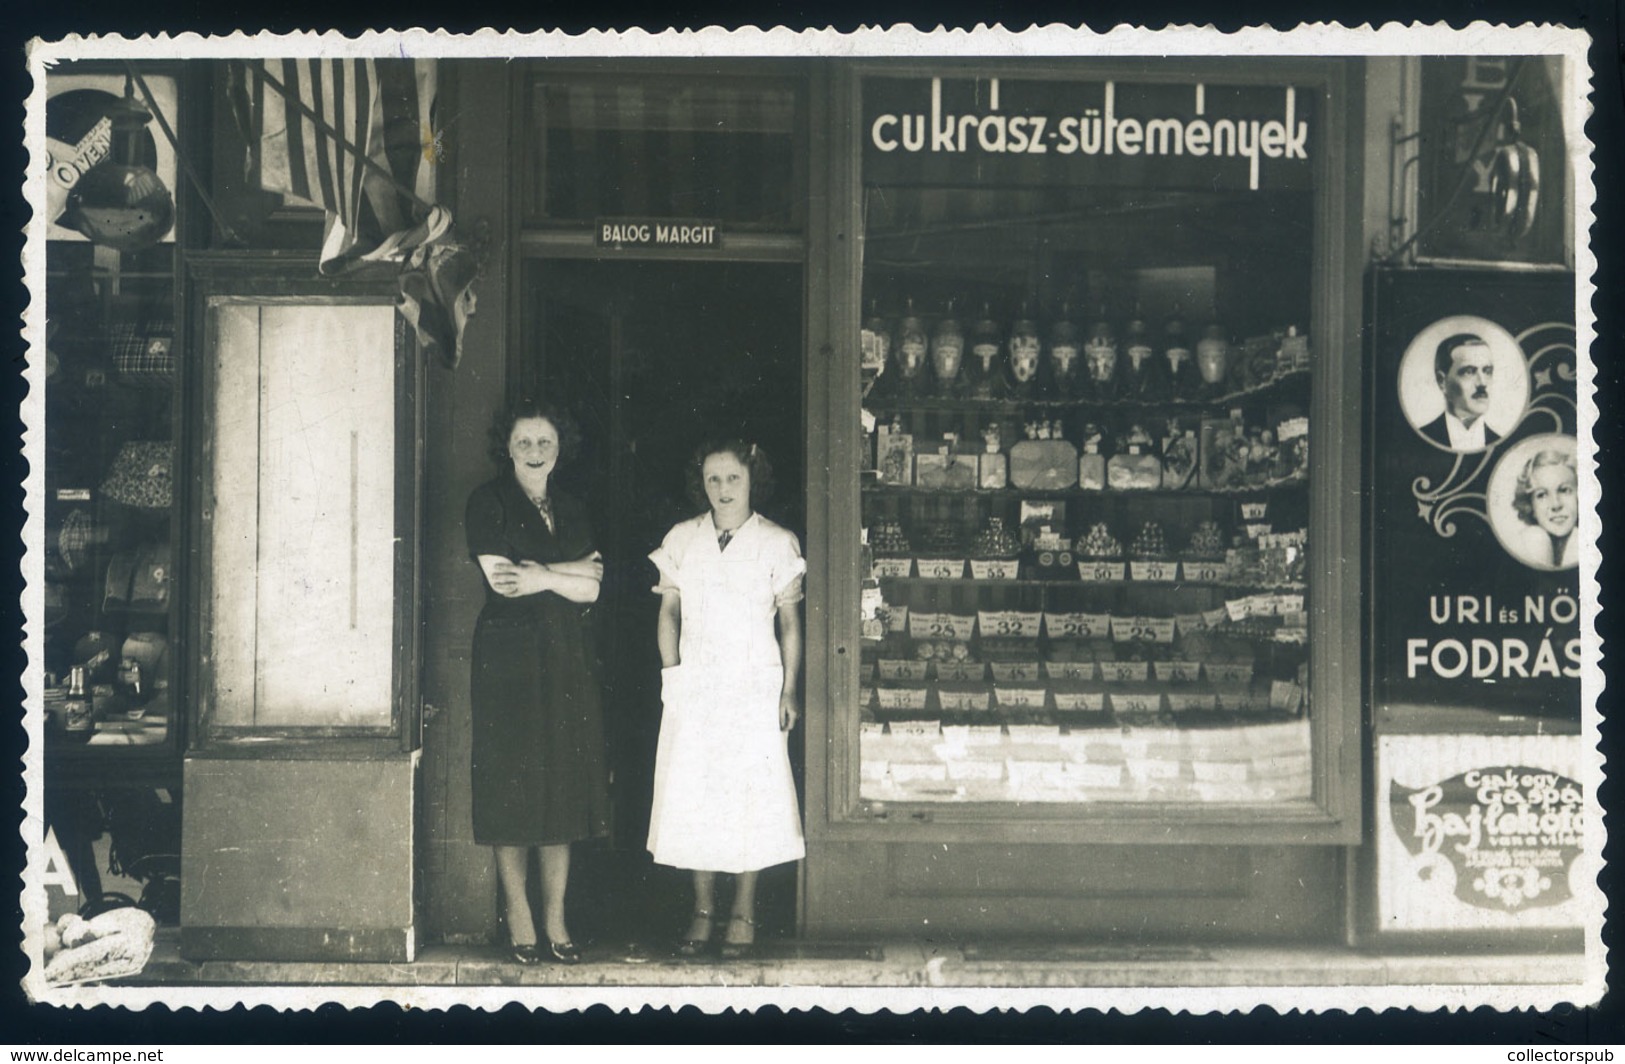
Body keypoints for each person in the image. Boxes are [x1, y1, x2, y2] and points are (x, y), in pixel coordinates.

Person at [647, 440, 805, 959]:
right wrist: (673, 676)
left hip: (753, 688)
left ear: (753, 479)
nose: (723, 490)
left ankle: (743, 912)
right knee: (696, 796)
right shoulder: (682, 539)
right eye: (713, 480)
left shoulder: (777, 543)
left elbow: (789, 624)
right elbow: (668, 614)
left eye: (733, 478)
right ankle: (703, 911)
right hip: (695, 687)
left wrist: (788, 690)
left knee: (749, 798)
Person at [464, 399, 608, 965]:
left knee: (563, 784)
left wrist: (542, 573)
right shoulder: (488, 501)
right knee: (510, 782)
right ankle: (520, 917)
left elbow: (595, 586)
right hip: (507, 660)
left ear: (559, 448)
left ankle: (556, 919)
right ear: (508, 447)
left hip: (566, 655)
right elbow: (503, 583)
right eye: (524, 442)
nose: (534, 452)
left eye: (544, 442)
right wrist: (567, 573)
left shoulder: (570, 506)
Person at [1417, 333, 1502, 452]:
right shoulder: (1418, 440)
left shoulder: (1504, 445)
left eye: (1487, 371)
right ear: (1442, 381)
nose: (1482, 383)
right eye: (1469, 372)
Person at [1508, 447, 1578, 570]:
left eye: (1564, 490)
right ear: (1530, 506)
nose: (1556, 505)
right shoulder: (1532, 540)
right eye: (1542, 495)